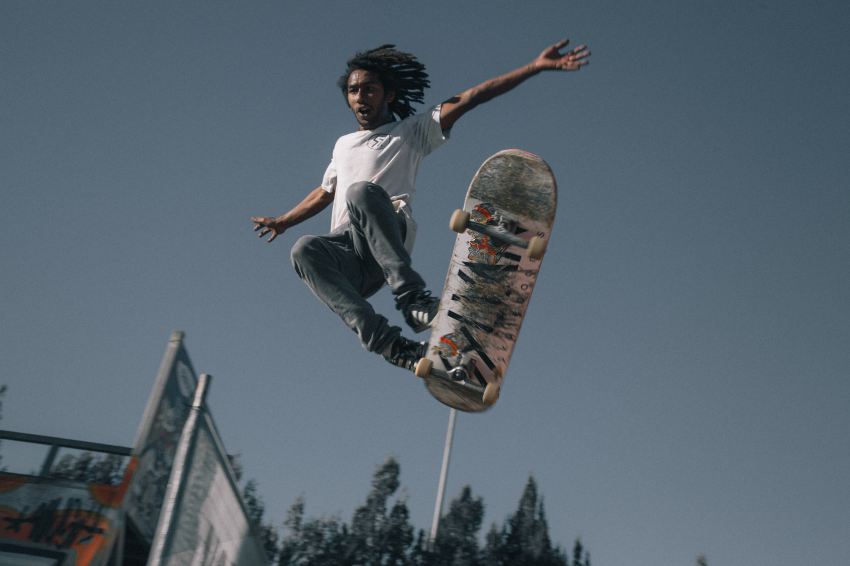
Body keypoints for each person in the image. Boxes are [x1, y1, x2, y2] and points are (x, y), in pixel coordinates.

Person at [251, 40, 590, 372]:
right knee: (303, 249)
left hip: (388, 234)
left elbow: (472, 97)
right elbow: (325, 192)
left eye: (369, 89)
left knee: (360, 193)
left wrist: (533, 67)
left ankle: (412, 299)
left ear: (389, 95)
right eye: (354, 91)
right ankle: (394, 347)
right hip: (351, 256)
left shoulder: (412, 131)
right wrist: (284, 221)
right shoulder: (343, 145)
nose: (360, 97)